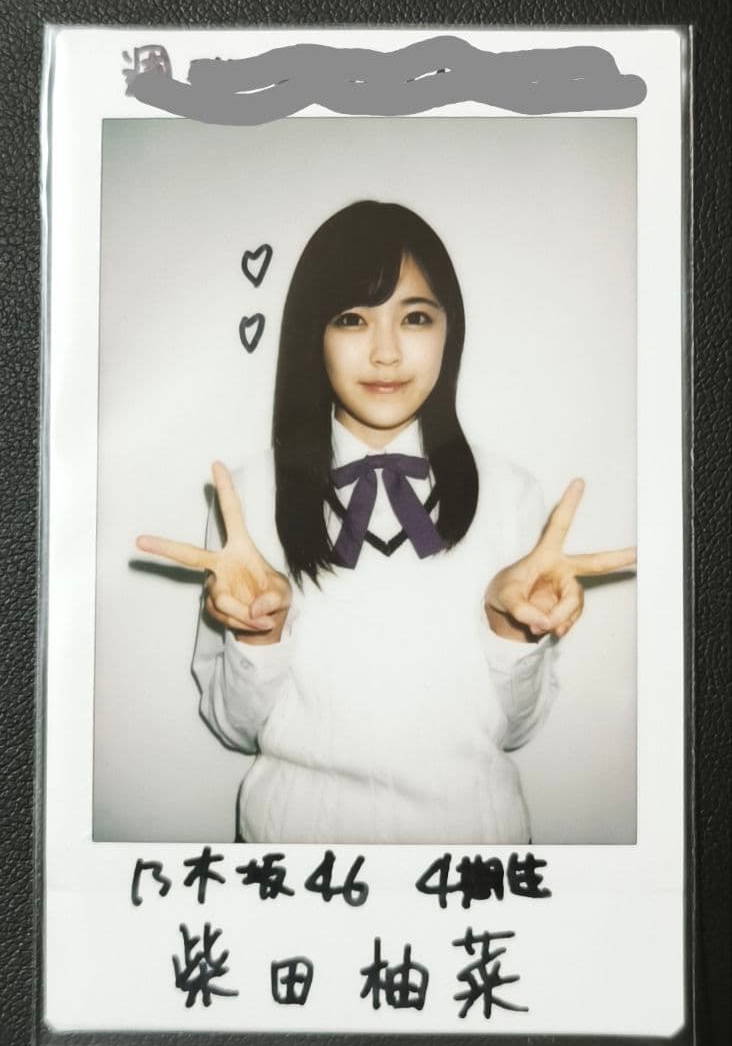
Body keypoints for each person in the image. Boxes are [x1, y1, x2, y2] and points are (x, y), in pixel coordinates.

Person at [136, 200, 635, 844]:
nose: (386, 352)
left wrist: (511, 627)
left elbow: (516, 731)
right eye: (352, 318)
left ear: (449, 331)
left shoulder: (511, 493)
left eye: (415, 317)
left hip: (473, 851)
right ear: (314, 334)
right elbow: (234, 729)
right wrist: (260, 633)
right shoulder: (249, 494)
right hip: (294, 854)